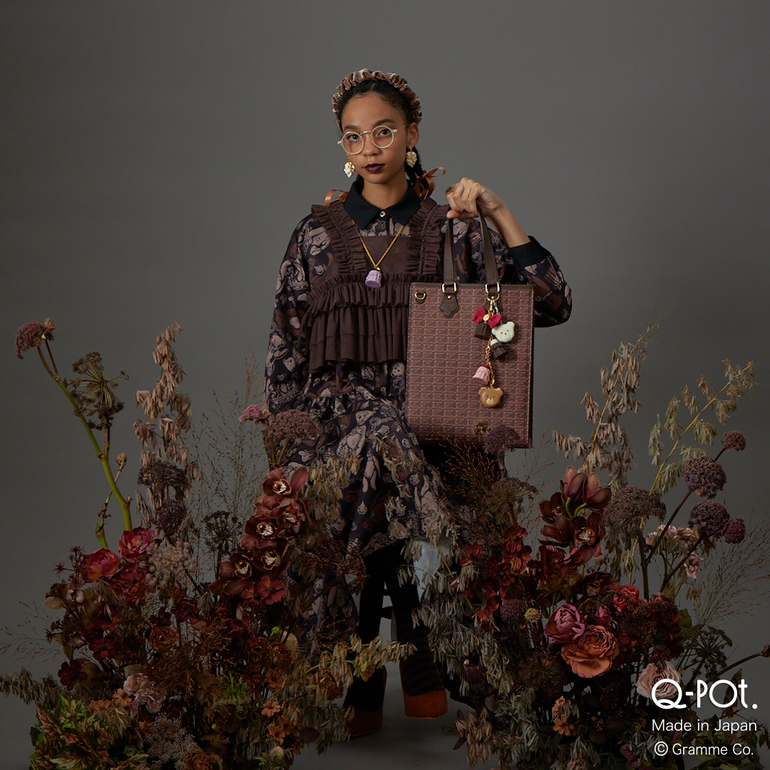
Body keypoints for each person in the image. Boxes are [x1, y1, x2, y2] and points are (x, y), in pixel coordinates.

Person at [264, 68, 571, 736]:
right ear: (342, 146)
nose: (369, 148)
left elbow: (552, 305)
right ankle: (413, 634)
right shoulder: (314, 235)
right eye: (353, 137)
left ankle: (377, 656)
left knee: (396, 442)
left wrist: (497, 212)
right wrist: (285, 452)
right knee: (374, 434)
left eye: (383, 131)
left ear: (412, 134)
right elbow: (286, 346)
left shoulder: (451, 229)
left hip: (438, 418)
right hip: (338, 424)